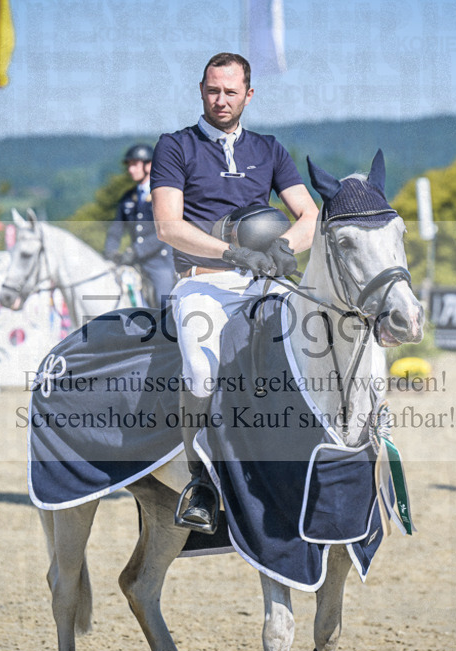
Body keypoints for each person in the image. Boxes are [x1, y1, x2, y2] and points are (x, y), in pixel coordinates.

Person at [151, 52, 319, 532]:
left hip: (266, 284)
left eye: (230, 91)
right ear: (200, 90)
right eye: (212, 90)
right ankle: (200, 480)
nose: (220, 100)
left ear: (249, 94)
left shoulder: (269, 149)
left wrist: (287, 246)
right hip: (202, 284)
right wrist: (229, 254)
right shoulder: (175, 146)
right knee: (202, 370)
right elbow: (167, 225)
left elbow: (310, 215)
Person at [103, 143, 175, 306]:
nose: (130, 169)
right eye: (129, 165)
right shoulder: (128, 197)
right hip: (134, 263)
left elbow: (164, 232)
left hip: (160, 262)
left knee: (164, 301)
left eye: (135, 165)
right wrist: (110, 253)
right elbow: (116, 230)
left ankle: (169, 330)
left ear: (149, 165)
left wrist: (136, 251)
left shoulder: (163, 194)